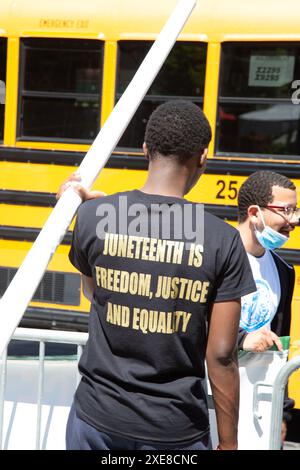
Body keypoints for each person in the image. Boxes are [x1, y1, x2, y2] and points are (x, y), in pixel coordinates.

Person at [62, 100, 256, 451]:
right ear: (202, 157)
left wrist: (91, 209)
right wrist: (229, 443)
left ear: (145, 150)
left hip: (95, 419)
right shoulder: (222, 240)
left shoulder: (93, 216)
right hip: (174, 428)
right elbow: (222, 355)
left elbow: (95, 294)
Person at [236, 170, 297, 422]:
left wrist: (282, 413)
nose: (293, 220)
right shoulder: (214, 259)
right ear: (254, 213)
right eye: (285, 210)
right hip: (209, 400)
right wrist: (242, 339)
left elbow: (279, 344)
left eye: (295, 210)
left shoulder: (284, 270)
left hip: (260, 406)